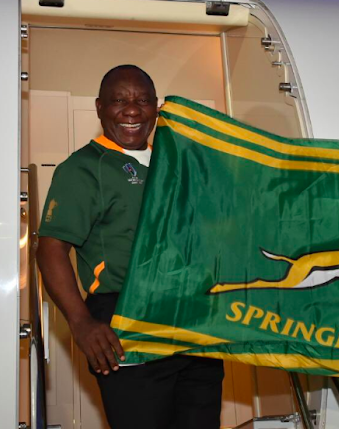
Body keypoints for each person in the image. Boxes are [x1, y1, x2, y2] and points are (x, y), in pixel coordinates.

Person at [36, 65, 223, 429]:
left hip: (192, 323)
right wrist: (81, 322)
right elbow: (50, 249)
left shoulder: (174, 164)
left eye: (142, 100)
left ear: (157, 108)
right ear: (100, 107)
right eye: (119, 100)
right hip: (125, 320)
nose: (132, 110)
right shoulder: (84, 168)